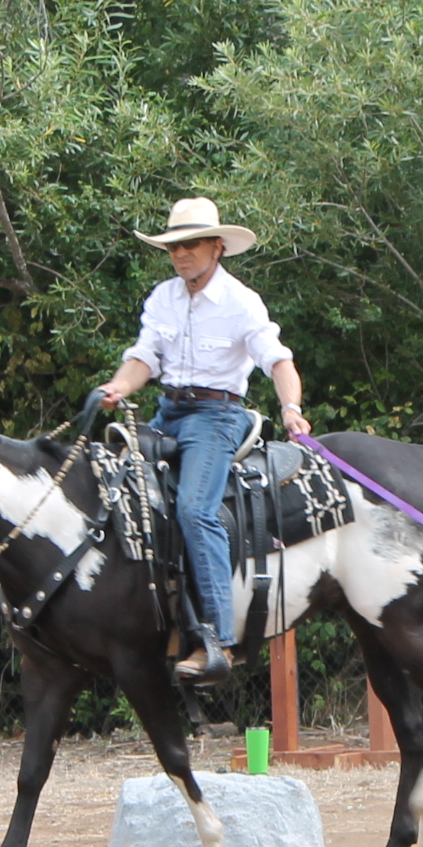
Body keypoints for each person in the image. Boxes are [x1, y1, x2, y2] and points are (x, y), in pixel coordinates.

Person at [94, 197, 309, 682]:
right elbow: (143, 357)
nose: (180, 253)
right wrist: (117, 387)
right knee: (114, 491)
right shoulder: (163, 297)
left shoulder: (241, 302)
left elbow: (278, 361)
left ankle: (216, 640)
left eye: (190, 244)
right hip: (168, 412)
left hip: (218, 416)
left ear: (217, 247)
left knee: (194, 508)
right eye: (173, 245)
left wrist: (291, 410)